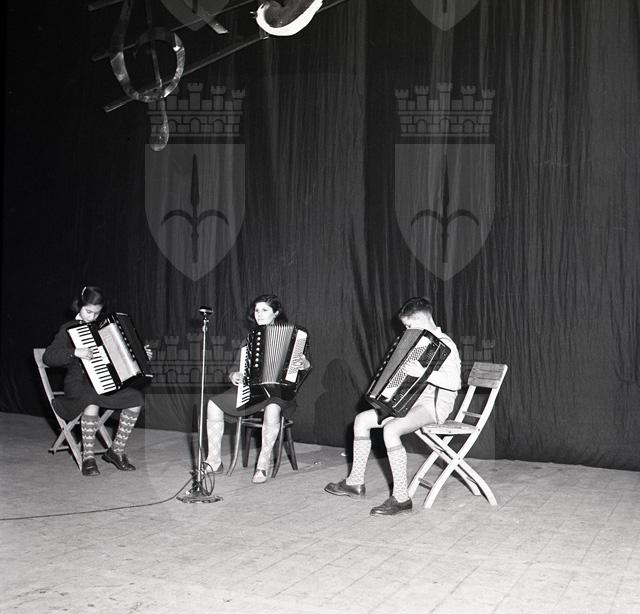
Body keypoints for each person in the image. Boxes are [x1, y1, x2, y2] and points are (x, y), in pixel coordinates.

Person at [324, 297, 461, 516]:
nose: (407, 330)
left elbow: (455, 383)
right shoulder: (418, 343)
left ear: (421, 319)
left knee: (391, 430)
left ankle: (401, 498)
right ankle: (355, 482)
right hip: (409, 403)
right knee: (361, 420)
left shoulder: (445, 344)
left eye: (409, 325)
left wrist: (424, 373)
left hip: (434, 406)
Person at [43, 286, 151, 477]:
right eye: (88, 311)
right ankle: (88, 457)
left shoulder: (104, 329)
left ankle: (116, 451)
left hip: (104, 383)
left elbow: (119, 357)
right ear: (79, 306)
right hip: (77, 385)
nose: (92, 317)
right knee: (91, 399)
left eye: (96, 313)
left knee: (136, 398)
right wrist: (74, 352)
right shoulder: (68, 328)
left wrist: (141, 355)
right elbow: (48, 357)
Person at [205, 294, 310, 484]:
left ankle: (262, 464)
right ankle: (214, 461)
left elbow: (305, 366)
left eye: (264, 310)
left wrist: (303, 364)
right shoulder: (250, 338)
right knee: (213, 404)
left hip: (280, 391)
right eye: (256, 310)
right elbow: (235, 367)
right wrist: (234, 375)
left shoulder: (295, 335)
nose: (259, 314)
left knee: (272, 409)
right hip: (252, 389)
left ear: (276, 313)